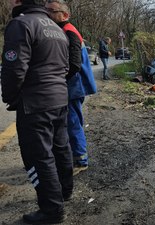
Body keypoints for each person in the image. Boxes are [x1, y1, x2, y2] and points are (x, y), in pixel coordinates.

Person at [1, 0, 72, 224]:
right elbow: (66, 66)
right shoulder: (56, 28)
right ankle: (64, 192)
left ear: (18, 1)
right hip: (59, 99)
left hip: (35, 103)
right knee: (60, 147)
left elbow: (14, 67)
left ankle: (52, 210)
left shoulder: (21, 24)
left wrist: (10, 96)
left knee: (39, 157)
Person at [45, 0, 97, 176]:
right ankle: (74, 156)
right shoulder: (64, 31)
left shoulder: (69, 32)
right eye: (46, 10)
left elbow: (74, 64)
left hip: (74, 87)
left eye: (52, 11)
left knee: (73, 123)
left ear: (65, 15)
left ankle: (81, 160)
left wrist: (58, 78)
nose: (48, 14)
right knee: (71, 122)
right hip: (72, 86)